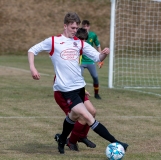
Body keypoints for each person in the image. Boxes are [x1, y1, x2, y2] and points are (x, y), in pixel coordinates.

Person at [28, 12, 128, 154]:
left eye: (76, 28)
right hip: (65, 89)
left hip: (79, 87)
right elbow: (32, 50)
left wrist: (105, 53)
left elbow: (97, 56)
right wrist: (32, 68)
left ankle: (63, 139)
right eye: (73, 27)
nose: (75, 30)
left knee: (76, 115)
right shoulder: (53, 41)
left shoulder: (79, 43)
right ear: (65, 26)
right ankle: (117, 142)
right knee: (86, 116)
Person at [54, 28, 97, 151]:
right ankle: (70, 142)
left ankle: (81, 136)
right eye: (81, 41)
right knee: (81, 117)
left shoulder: (80, 51)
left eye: (85, 41)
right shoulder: (67, 50)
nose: (82, 44)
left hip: (77, 88)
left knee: (92, 112)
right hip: (64, 91)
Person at [81, 20, 103, 99]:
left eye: (87, 26)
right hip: (81, 61)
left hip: (90, 61)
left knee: (95, 77)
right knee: (78, 77)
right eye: (84, 26)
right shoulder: (78, 34)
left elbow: (98, 45)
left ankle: (96, 94)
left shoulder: (93, 35)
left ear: (89, 27)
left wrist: (100, 58)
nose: (85, 27)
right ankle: (81, 92)